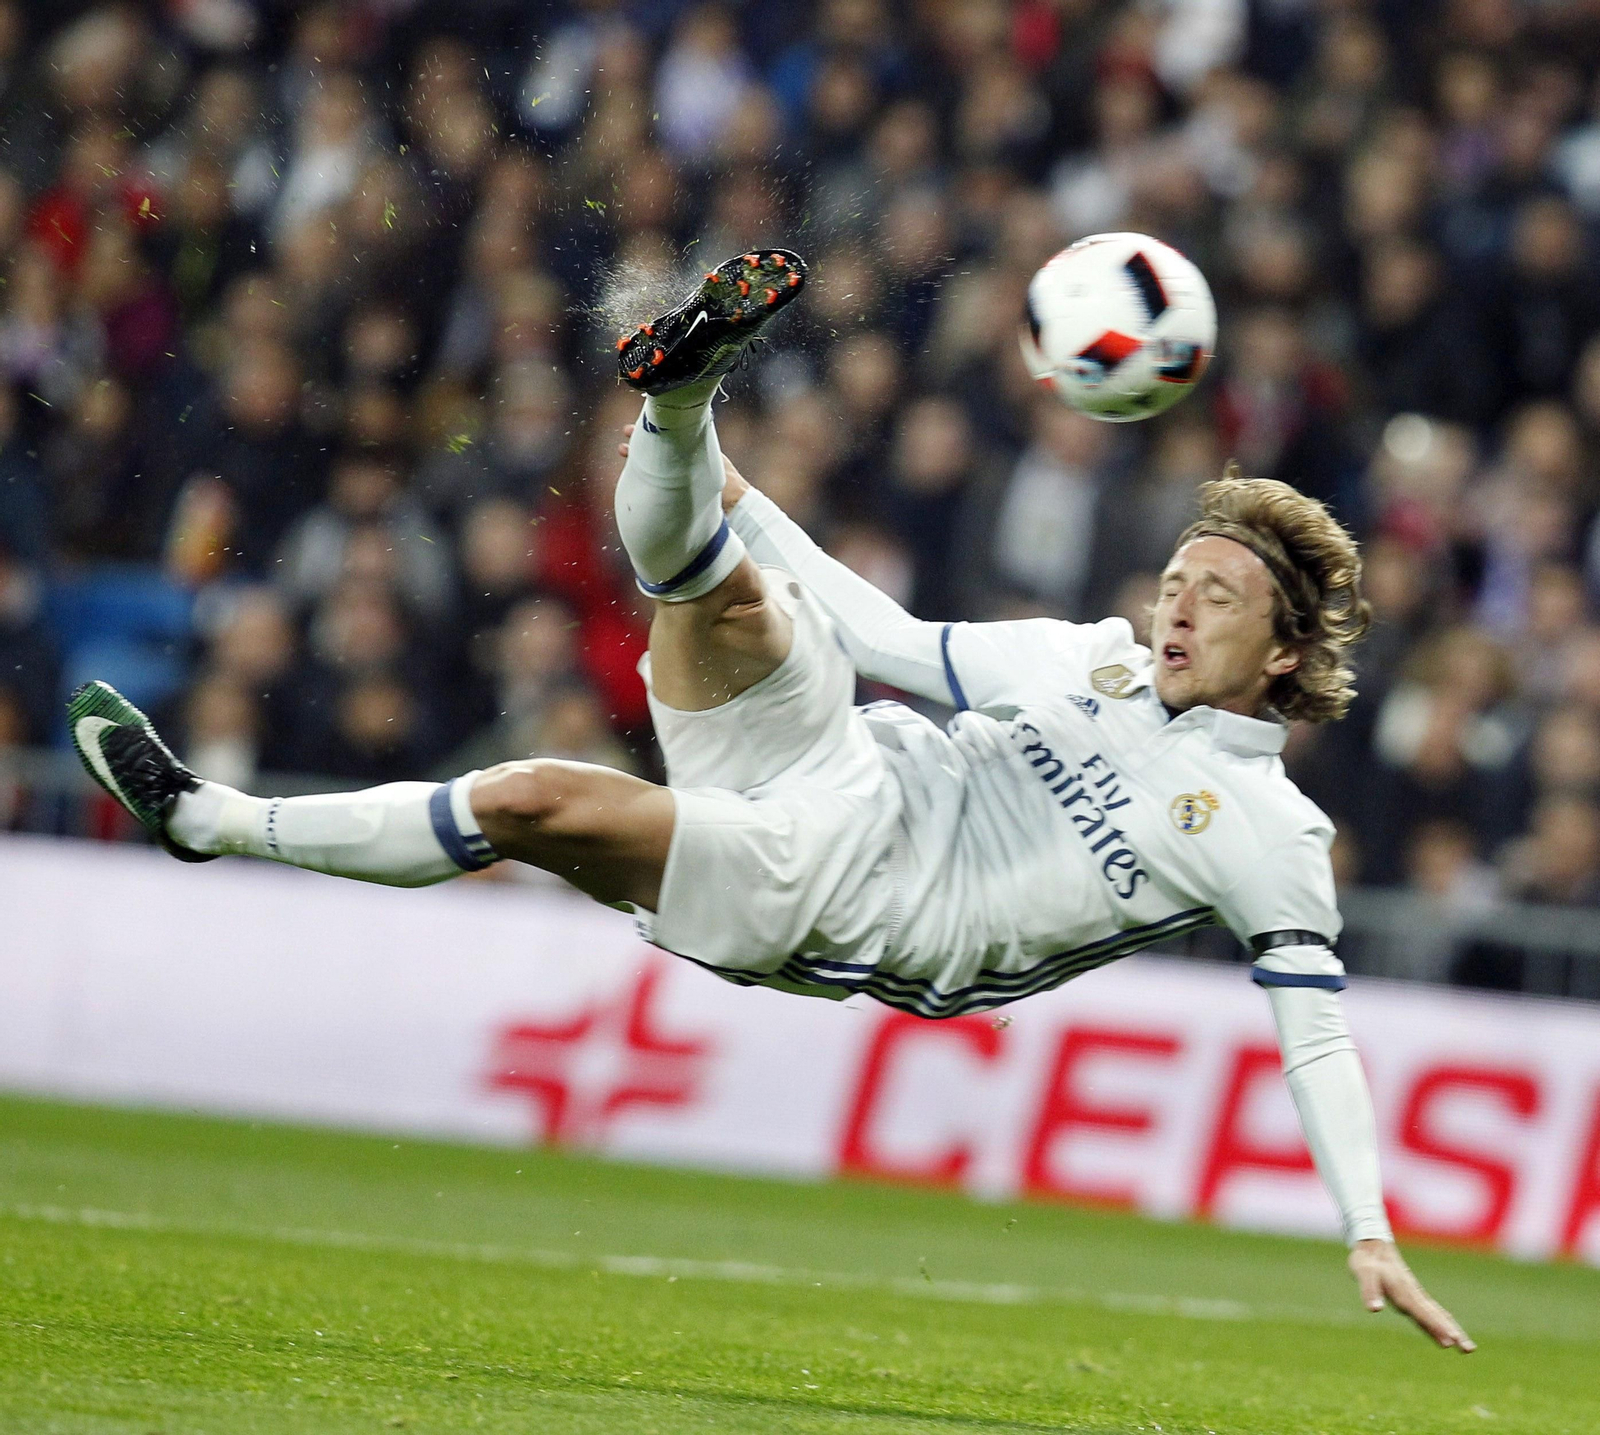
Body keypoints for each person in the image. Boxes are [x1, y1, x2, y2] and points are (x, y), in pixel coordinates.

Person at [69, 249, 1472, 1352]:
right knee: (722, 585)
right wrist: (744, 496)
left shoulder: (1270, 833)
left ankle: (206, 820)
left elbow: (1316, 1040)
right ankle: (683, 398)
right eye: (1176, 579)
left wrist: (1368, 1225)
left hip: (861, 900)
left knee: (536, 799)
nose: (1177, 605)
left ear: (1281, 653)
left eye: (1217, 597)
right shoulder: (1090, 659)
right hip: (854, 760)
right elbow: (883, 639)